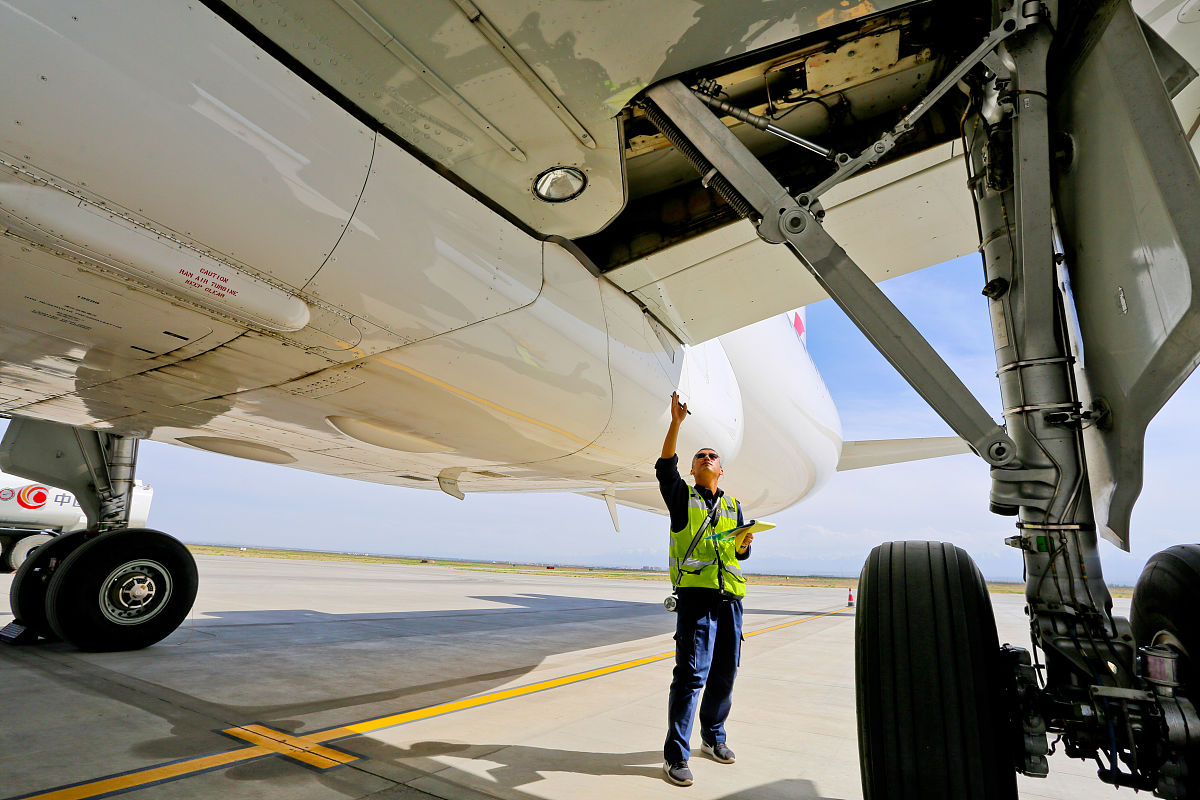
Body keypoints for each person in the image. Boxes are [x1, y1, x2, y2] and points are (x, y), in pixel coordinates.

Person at [657, 391, 754, 787]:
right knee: (691, 675)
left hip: (730, 599)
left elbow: (738, 553)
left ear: (721, 470)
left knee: (725, 673)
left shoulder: (733, 507)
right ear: (694, 470)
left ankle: (713, 738)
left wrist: (744, 545)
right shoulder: (682, 498)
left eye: (712, 456)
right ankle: (675, 756)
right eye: (700, 457)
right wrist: (676, 424)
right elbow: (665, 467)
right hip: (696, 601)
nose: (706, 459)